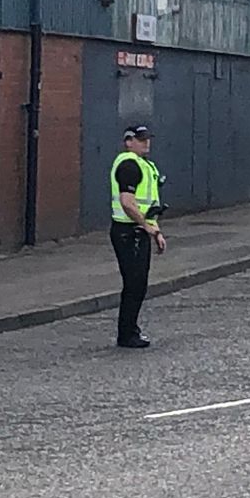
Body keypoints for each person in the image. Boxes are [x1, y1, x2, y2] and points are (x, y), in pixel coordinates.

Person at [110, 124, 166, 349]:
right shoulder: (129, 165)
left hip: (138, 231)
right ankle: (126, 334)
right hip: (128, 232)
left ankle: (130, 330)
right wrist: (147, 227)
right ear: (128, 141)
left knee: (138, 284)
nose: (146, 143)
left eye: (147, 139)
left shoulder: (143, 165)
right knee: (134, 284)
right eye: (141, 139)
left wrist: (155, 231)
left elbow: (148, 206)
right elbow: (127, 203)